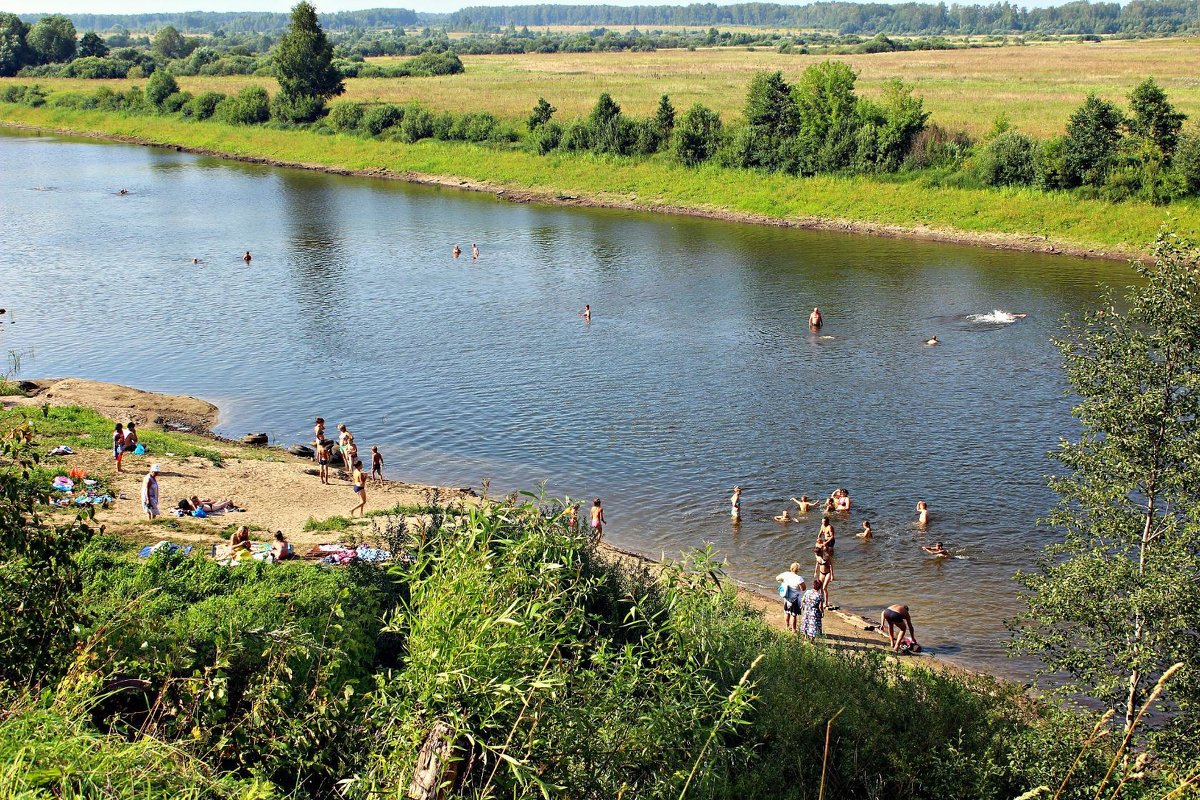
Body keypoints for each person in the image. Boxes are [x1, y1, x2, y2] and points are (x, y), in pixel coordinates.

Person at [775, 563, 806, 633]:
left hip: (786, 596)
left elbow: (777, 578)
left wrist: (783, 582)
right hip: (795, 599)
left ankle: (787, 626)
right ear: (798, 570)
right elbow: (803, 589)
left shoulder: (786, 574)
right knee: (793, 614)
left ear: (790, 568)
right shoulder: (799, 578)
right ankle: (794, 629)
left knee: (786, 612)